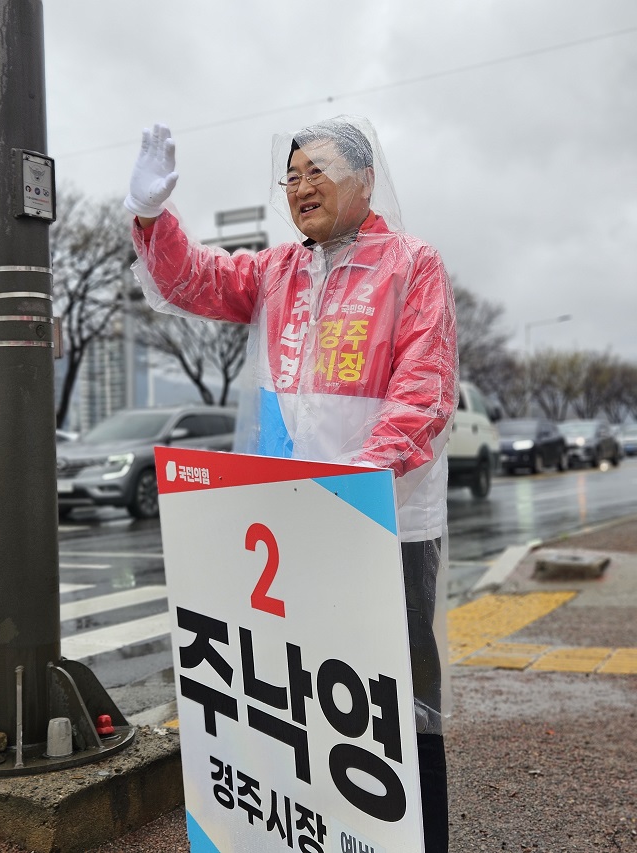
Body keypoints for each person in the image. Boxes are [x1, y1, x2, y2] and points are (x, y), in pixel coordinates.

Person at [126, 116, 458, 852]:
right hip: (294, 521)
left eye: (320, 170)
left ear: (366, 180)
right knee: (308, 696)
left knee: (399, 703)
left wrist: (356, 479)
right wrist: (152, 214)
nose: (302, 186)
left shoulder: (412, 264)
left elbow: (426, 389)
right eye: (293, 174)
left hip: (387, 520)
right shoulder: (279, 272)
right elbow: (192, 279)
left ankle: (418, 840)